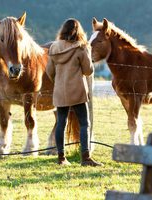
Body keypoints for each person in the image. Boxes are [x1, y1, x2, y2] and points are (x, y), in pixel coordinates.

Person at [46, 18, 102, 166]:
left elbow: (49, 72)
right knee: (84, 123)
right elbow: (88, 70)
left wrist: (58, 82)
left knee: (61, 123)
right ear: (79, 31)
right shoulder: (81, 48)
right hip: (77, 91)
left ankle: (61, 158)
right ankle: (85, 158)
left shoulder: (54, 47)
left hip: (60, 91)